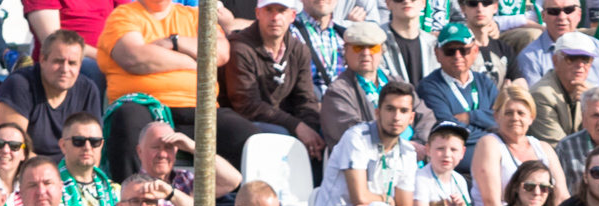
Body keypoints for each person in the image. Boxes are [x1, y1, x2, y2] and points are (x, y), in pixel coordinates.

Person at [98, 0, 262, 181]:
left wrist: (174, 41)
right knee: (128, 119)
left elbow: (221, 52)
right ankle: (132, 200)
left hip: (201, 109)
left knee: (250, 140)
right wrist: (194, 62)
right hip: (145, 106)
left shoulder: (195, 16)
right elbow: (134, 57)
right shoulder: (125, 15)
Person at [0, 30, 101, 167]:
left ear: (80, 65)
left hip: (50, 175)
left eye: (72, 63)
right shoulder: (20, 85)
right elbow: (13, 152)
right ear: (42, 60)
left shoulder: (88, 90)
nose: (65, 69)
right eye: (58, 61)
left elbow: (94, 150)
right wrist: (57, 179)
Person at [223, 0, 327, 162]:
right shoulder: (240, 47)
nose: (275, 17)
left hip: (281, 121)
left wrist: (309, 129)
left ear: (292, 16)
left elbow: (306, 99)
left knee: (322, 135)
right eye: (269, 10)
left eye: (282, 10)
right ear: (257, 13)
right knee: (282, 136)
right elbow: (247, 105)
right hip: (242, 124)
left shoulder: (299, 50)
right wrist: (297, 127)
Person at [470, 83, 568, 206]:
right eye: (508, 113)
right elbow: (491, 203)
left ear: (531, 118)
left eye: (521, 113)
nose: (515, 118)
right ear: (496, 116)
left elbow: (562, 197)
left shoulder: (544, 148)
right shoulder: (490, 144)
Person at [416, 25, 498, 169]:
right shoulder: (429, 86)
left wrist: (470, 117)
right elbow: (449, 130)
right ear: (437, 54)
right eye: (450, 51)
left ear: (475, 51)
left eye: (464, 50)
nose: (457, 56)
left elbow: (500, 119)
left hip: (493, 163)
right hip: (457, 170)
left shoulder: (485, 82)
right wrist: (491, 135)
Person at [321, 21, 399, 148]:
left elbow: (425, 118)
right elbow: (354, 134)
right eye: (358, 47)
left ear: (382, 51)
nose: (366, 53)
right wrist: (401, 144)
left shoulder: (399, 83)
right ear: (346, 50)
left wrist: (421, 143)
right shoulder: (337, 92)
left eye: (373, 47)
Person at [56, 113, 119, 206]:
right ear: (63, 145)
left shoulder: (117, 191)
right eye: (78, 141)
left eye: (94, 141)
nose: (87, 147)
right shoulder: (48, 189)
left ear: (102, 144)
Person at [512, 0, 599, 86]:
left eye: (569, 10)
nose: (562, 17)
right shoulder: (530, 57)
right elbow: (535, 99)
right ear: (543, 16)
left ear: (579, 14)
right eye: (554, 11)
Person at [531, 33, 599, 144]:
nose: (580, 65)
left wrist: (589, 107)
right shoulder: (541, 95)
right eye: (571, 59)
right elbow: (560, 148)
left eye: (586, 59)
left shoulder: (591, 91)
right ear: (555, 61)